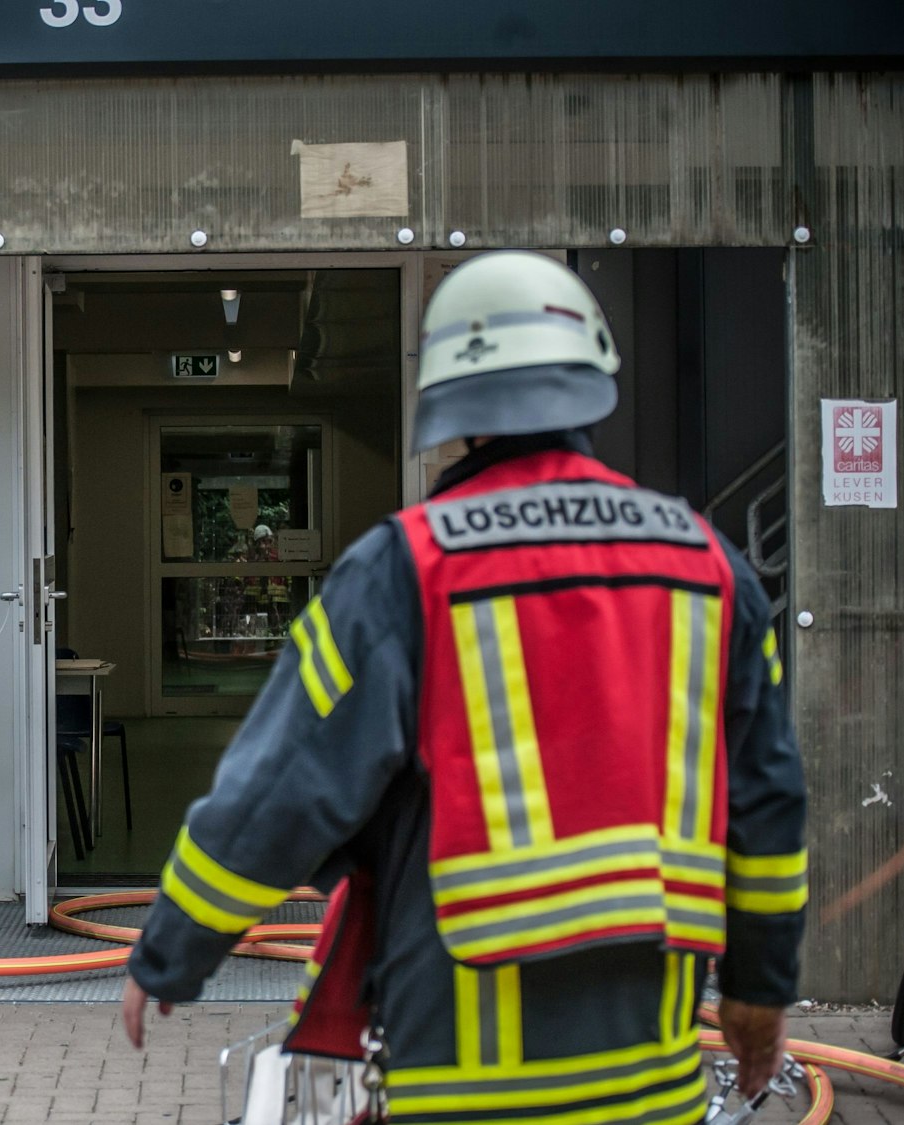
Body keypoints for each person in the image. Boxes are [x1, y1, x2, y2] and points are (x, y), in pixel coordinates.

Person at [120, 252, 808, 1120]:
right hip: (649, 1080)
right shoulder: (709, 569)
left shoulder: (405, 569)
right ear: (591, 378)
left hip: (459, 1082)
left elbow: (277, 791)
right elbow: (769, 808)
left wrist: (171, 950)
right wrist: (760, 988)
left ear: (455, 409)